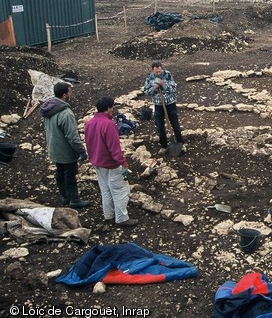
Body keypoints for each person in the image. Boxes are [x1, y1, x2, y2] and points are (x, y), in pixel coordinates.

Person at [84, 96, 137, 227]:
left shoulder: (90, 123)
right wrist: (122, 162)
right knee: (120, 190)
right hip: (110, 163)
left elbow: (88, 142)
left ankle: (109, 215)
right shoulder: (109, 125)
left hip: (97, 162)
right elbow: (114, 148)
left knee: (105, 189)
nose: (113, 110)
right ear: (108, 108)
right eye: (112, 107)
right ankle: (122, 218)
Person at [40, 82, 90, 208]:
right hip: (65, 151)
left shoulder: (49, 108)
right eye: (69, 91)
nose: (71, 94)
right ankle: (74, 199)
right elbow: (72, 137)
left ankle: (64, 196)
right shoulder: (66, 113)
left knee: (60, 172)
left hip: (53, 147)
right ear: (64, 94)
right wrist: (81, 151)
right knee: (70, 174)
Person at [143, 61, 183, 155]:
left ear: (161, 68)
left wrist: (163, 84)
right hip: (158, 104)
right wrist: (154, 88)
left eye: (159, 71)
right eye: (156, 72)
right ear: (152, 70)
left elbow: (173, 89)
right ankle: (163, 146)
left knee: (175, 124)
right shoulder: (149, 78)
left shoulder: (167, 75)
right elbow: (146, 91)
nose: (158, 73)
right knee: (160, 126)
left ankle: (180, 142)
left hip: (170, 103)